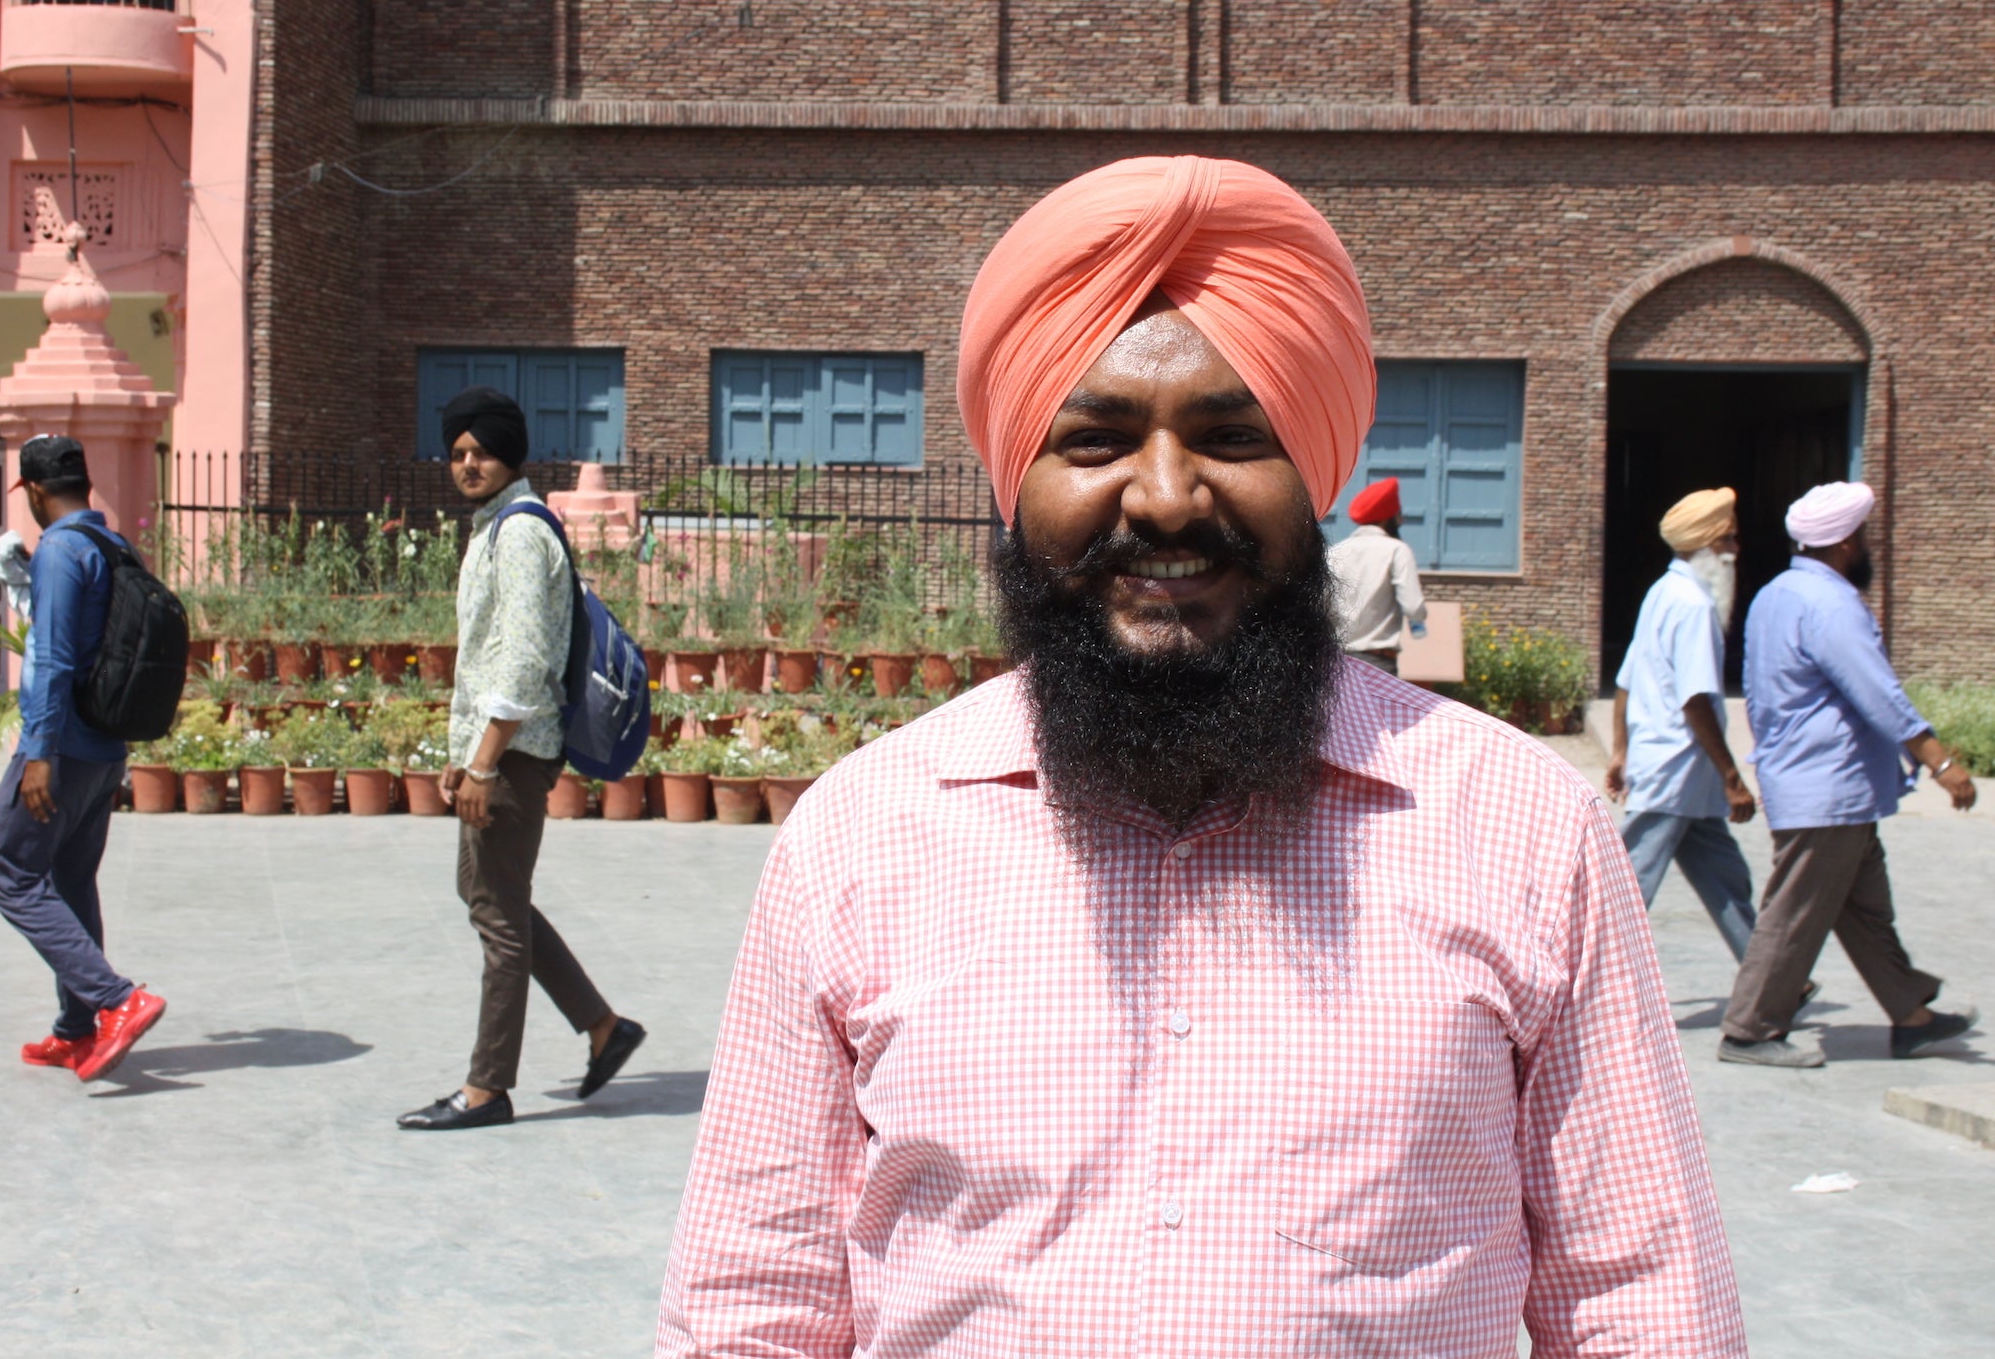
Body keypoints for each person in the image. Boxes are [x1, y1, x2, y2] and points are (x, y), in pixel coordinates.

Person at [658, 157, 1744, 1357]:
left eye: (1232, 435)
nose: (1167, 497)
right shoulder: (859, 835)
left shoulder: (1523, 829)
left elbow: (1638, 1300)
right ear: (1016, 480)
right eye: (1095, 440)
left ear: (1311, 474)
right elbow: (751, 1302)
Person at [396, 388, 645, 1130]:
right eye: (458, 454)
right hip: (495, 753)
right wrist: (461, 753)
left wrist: (484, 762)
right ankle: (604, 1027)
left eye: (483, 451)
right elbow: (485, 656)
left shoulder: (522, 533)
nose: (469, 464)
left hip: (513, 756)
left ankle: (487, 1088)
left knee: (498, 917)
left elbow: (525, 662)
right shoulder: (494, 528)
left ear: (513, 454)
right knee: (493, 897)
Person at [1720, 481, 1980, 1069]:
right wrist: (1940, 763)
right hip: (1825, 787)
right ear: (1843, 543)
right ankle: (1749, 1030)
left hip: (1825, 785)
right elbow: (1879, 694)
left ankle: (1910, 1013)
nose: (1866, 548)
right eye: (1862, 538)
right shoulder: (1832, 605)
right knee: (1794, 912)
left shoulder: (1776, 594)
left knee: (1863, 908)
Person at [0, 435, 165, 1083]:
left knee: (10, 871)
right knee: (69, 879)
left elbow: (55, 656)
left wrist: (37, 752)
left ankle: (117, 999)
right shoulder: (113, 544)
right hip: (103, 748)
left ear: (35, 491)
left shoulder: (62, 547)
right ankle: (77, 1027)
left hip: (60, 749)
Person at [1605, 487, 1760, 961]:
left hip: (1681, 773)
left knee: (1725, 880)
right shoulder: (1692, 606)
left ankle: (1770, 980)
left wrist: (1621, 749)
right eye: (1729, 541)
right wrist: (1733, 778)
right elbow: (1696, 700)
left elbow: (1627, 679)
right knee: (1626, 891)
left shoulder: (1662, 592)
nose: (1736, 551)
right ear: (1708, 546)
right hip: (1675, 768)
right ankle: (1576, 995)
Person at [1327, 475, 1426, 672]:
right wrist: (1419, 622)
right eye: (1398, 516)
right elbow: (1413, 606)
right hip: (1378, 661)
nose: (1401, 520)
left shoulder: (1335, 552)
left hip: (1337, 660)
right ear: (1387, 518)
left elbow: (1323, 606)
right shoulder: (1397, 550)